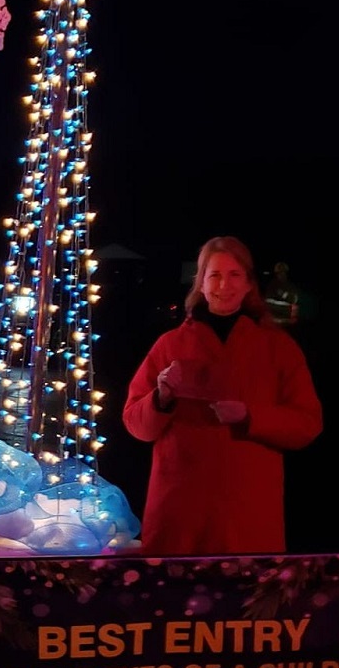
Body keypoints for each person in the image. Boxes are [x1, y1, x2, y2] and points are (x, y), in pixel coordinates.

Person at [122, 235, 323, 555]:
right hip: (180, 514)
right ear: (200, 284)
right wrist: (161, 398)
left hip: (247, 515)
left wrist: (250, 416)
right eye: (214, 275)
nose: (223, 285)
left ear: (248, 284)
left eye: (234, 275)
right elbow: (136, 424)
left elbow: (307, 423)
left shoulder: (278, 348)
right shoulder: (170, 345)